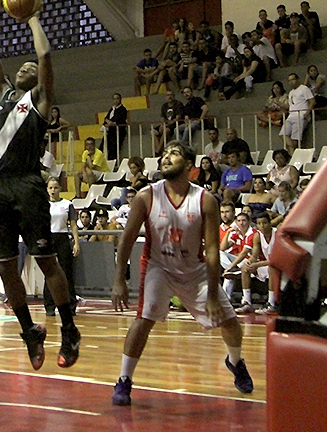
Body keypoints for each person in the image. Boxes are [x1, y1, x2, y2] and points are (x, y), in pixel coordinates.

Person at [111, 141, 253, 406]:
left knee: (231, 322)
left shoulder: (205, 200)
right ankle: (123, 380)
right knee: (143, 321)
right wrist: (120, 279)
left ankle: (235, 362)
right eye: (164, 153)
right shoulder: (146, 196)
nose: (166, 157)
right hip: (158, 268)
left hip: (195, 270)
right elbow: (126, 240)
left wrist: (212, 293)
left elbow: (212, 251)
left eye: (173, 154)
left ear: (189, 165)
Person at [0, 0, 81, 371]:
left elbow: (44, 54)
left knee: (46, 261)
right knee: (6, 266)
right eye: (19, 66)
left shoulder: (39, 101)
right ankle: (29, 330)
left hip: (27, 183)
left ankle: (70, 328)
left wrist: (33, 16)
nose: (24, 66)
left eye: (29, 68)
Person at [45, 178, 80, 316]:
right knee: (49, 271)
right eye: (50, 188)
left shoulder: (67, 204)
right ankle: (49, 305)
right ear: (47, 189)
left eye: (56, 187)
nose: (53, 190)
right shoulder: (43, 204)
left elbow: (73, 225)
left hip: (62, 237)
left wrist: (76, 242)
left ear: (60, 189)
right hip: (48, 238)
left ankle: (71, 305)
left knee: (66, 272)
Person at [281, 72, 315, 153]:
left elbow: (312, 101)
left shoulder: (304, 88)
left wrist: (307, 113)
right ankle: (292, 153)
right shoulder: (291, 92)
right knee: (283, 134)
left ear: (297, 79)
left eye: (293, 79)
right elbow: (291, 105)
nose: (291, 82)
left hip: (300, 115)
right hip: (291, 116)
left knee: (295, 139)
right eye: (289, 80)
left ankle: (293, 154)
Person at [152, 90, 184, 156]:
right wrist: (162, 124)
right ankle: (160, 151)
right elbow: (162, 117)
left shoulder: (178, 104)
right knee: (153, 132)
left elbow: (178, 117)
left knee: (165, 131)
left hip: (174, 124)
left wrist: (166, 125)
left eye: (171, 95)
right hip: (165, 124)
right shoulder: (164, 106)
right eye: (168, 95)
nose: (169, 97)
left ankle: (157, 151)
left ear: (174, 96)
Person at [102, 93, 128, 160]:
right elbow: (106, 118)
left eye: (117, 98)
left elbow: (120, 120)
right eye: (114, 99)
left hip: (118, 132)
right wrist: (109, 122)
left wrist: (112, 123)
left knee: (113, 149)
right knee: (102, 146)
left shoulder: (122, 109)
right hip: (110, 132)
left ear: (120, 99)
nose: (116, 100)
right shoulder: (112, 109)